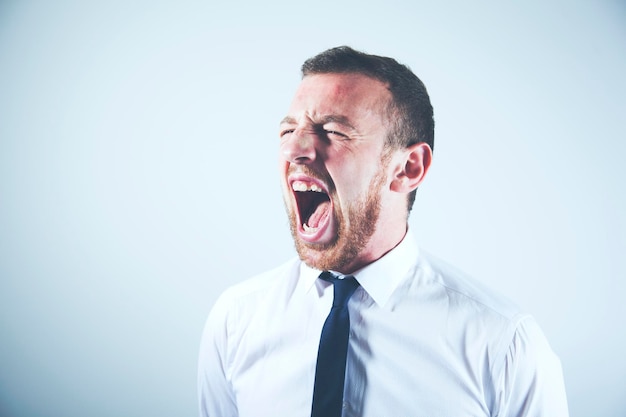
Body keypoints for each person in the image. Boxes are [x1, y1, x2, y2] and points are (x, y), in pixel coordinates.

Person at [197, 46, 569, 417]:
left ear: (408, 168)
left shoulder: (502, 346)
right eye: (288, 129)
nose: (294, 148)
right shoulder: (236, 320)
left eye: (333, 131)